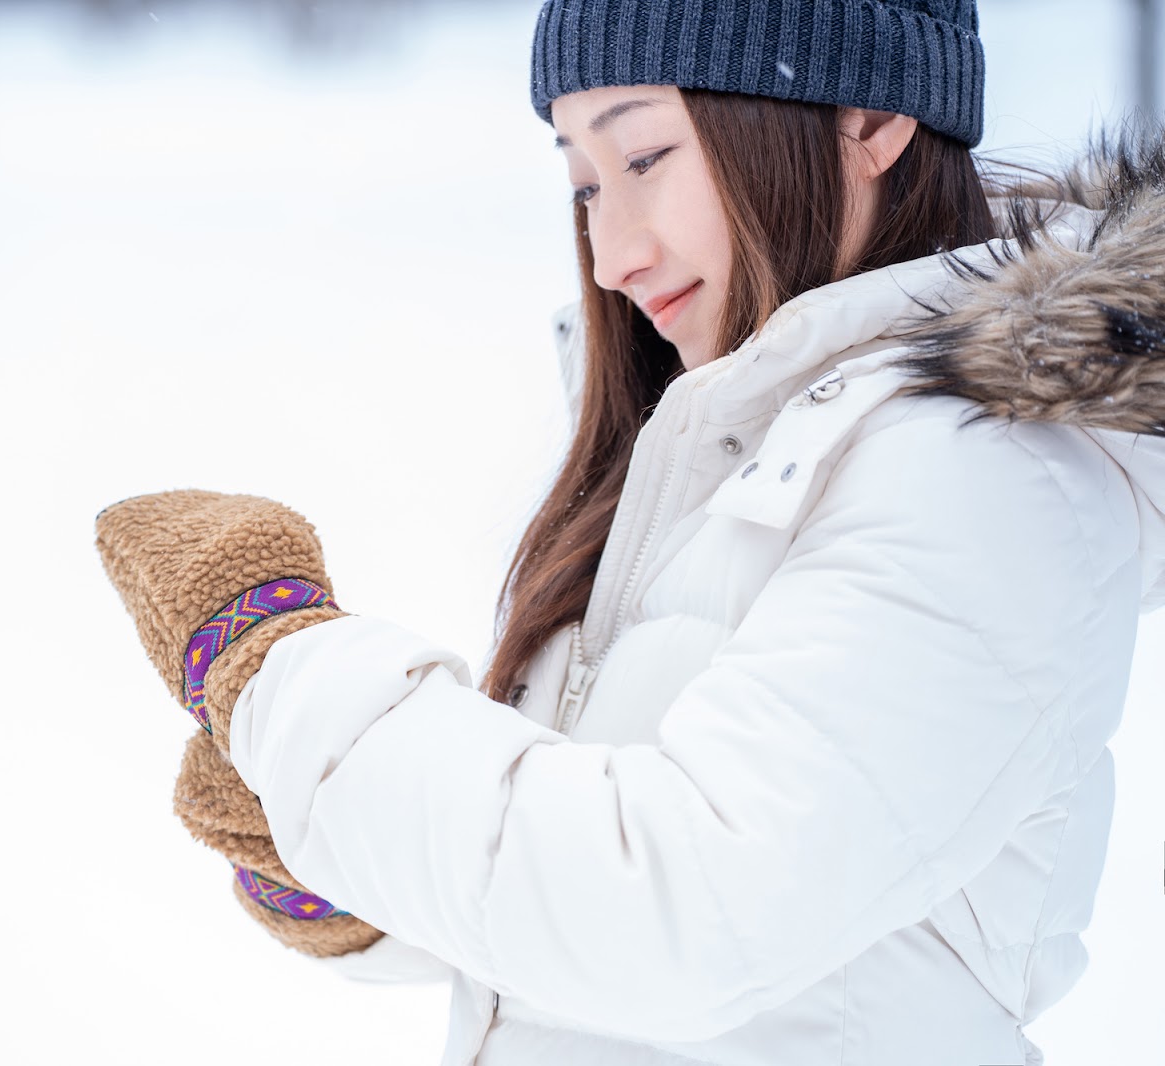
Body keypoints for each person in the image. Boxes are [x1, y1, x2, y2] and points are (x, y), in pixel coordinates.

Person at [221, 2, 1165, 1064]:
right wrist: (352, 856)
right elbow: (636, 868)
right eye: (581, 183)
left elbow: (680, 913)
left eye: (643, 155)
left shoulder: (985, 474)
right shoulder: (734, 430)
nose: (613, 252)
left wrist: (281, 679)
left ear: (868, 117)